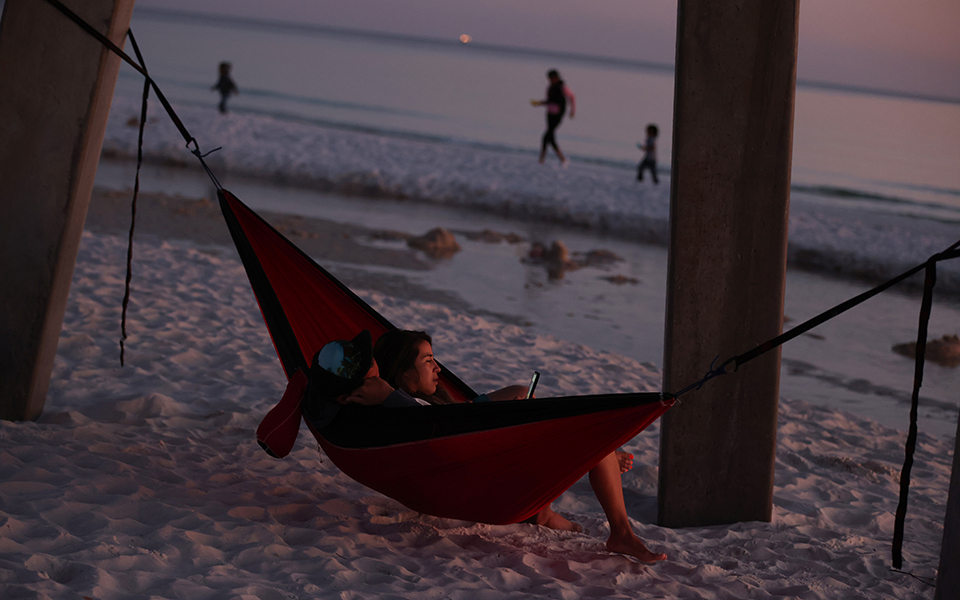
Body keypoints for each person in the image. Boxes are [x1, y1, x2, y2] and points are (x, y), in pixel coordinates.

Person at [307, 329, 666, 563]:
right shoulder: (402, 412)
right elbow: (430, 423)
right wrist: (388, 395)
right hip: (482, 483)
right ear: (401, 377)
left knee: (519, 396)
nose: (439, 369)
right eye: (429, 361)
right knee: (595, 436)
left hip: (475, 460)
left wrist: (499, 402)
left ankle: (546, 507)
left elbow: (453, 419)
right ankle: (620, 533)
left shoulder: (421, 407)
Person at [532, 69, 576, 167]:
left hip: (558, 115)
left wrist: (572, 111)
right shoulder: (550, 87)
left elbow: (572, 97)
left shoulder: (563, 88)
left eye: (552, 78)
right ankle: (561, 159)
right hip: (549, 114)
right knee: (550, 137)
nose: (550, 80)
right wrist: (539, 103)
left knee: (546, 136)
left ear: (556, 77)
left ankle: (542, 159)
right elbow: (549, 100)